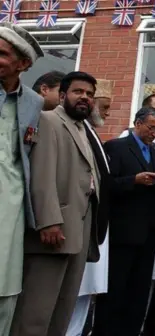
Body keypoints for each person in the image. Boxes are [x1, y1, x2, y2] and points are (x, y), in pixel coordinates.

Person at [12, 71, 101, 336]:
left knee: (63, 310)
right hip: (54, 230)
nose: (85, 97)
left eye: (89, 94)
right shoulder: (48, 120)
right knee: (36, 312)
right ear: (62, 96)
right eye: (78, 92)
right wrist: (49, 220)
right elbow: (41, 174)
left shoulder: (84, 129)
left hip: (80, 231)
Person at [97, 107, 155, 336]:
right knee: (116, 290)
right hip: (123, 231)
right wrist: (133, 180)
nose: (154, 133)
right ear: (137, 123)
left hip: (148, 233)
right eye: (151, 128)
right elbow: (107, 185)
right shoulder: (117, 147)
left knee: (139, 292)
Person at [0, 22, 44, 335]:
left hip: (12, 204)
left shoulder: (35, 102)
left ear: (23, 64)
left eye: (2, 54)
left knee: (5, 285)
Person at [66, 79, 114, 336]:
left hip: (95, 225)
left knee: (84, 292)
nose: (107, 113)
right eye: (104, 107)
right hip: (78, 221)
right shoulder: (75, 128)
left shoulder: (92, 131)